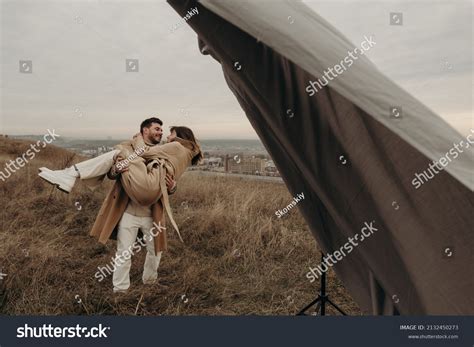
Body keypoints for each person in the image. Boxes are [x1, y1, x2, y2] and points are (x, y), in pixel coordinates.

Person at [38, 118, 203, 292]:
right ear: (144, 131)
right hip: (129, 211)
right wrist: (117, 170)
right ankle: (120, 290)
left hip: (152, 213)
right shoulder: (129, 147)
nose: (162, 133)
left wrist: (173, 188)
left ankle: (150, 282)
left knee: (156, 251)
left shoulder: (160, 150)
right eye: (157, 129)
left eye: (164, 131)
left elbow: (162, 174)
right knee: (123, 253)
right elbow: (111, 173)